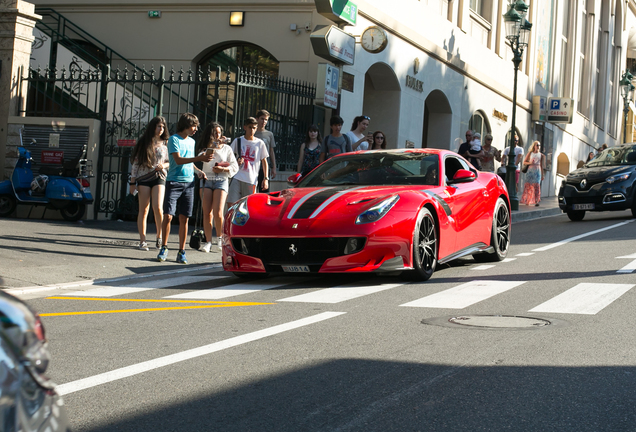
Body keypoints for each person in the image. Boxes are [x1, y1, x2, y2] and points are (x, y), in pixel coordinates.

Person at [157, 113, 212, 264]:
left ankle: (182, 251)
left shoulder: (192, 142)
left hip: (189, 183)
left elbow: (189, 162)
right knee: (168, 216)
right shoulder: (174, 139)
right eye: (193, 126)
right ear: (186, 125)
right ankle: (164, 247)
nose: (195, 129)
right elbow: (179, 160)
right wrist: (200, 159)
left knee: (184, 218)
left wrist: (198, 171)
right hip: (174, 182)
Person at [196, 122, 238, 252]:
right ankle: (208, 242)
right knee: (207, 212)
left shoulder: (227, 148)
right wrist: (212, 147)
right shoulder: (205, 148)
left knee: (218, 212)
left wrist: (223, 169)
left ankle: (220, 239)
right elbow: (200, 159)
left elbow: (234, 166)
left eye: (219, 132)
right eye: (214, 133)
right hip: (207, 179)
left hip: (221, 179)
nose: (217, 135)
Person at [129, 116, 170, 251]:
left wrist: (163, 165)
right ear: (153, 127)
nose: (161, 129)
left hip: (159, 176)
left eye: (163, 127)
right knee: (144, 209)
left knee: (158, 207)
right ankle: (143, 240)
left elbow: (171, 161)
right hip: (143, 177)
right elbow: (136, 163)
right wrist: (132, 181)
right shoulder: (143, 142)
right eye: (159, 126)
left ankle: (159, 236)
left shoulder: (166, 143)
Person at [227, 117, 269, 207]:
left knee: (248, 207)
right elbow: (228, 157)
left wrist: (266, 178)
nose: (252, 130)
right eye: (250, 127)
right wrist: (235, 162)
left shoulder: (260, 143)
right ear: (245, 127)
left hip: (251, 179)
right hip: (237, 177)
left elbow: (264, 161)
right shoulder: (238, 141)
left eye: (254, 128)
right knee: (231, 204)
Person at [254, 109, 276, 193]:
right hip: (253, 165)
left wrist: (274, 167)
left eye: (266, 119)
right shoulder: (253, 132)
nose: (264, 121)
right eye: (262, 118)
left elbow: (271, 151)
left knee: (264, 191)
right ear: (257, 119)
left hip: (264, 166)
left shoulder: (269, 134)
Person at [520, 140, 545, 206]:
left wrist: (542, 174)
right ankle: (528, 200)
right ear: (534, 146)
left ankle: (536, 201)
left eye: (539, 145)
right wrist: (530, 163)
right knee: (529, 185)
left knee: (536, 186)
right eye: (537, 145)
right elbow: (524, 162)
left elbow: (541, 165)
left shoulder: (541, 155)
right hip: (530, 170)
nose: (538, 146)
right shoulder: (530, 153)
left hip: (537, 171)